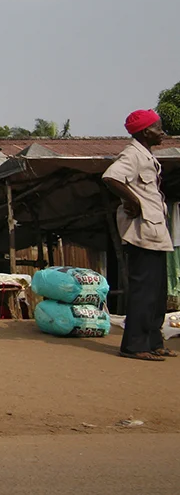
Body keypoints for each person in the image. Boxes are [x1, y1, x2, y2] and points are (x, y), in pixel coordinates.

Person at [103, 109, 172, 361]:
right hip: (141, 233)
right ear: (145, 131)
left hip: (154, 233)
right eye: (158, 128)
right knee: (144, 291)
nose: (162, 132)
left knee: (157, 292)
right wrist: (131, 200)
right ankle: (133, 345)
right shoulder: (133, 154)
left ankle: (154, 341)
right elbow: (111, 177)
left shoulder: (146, 155)